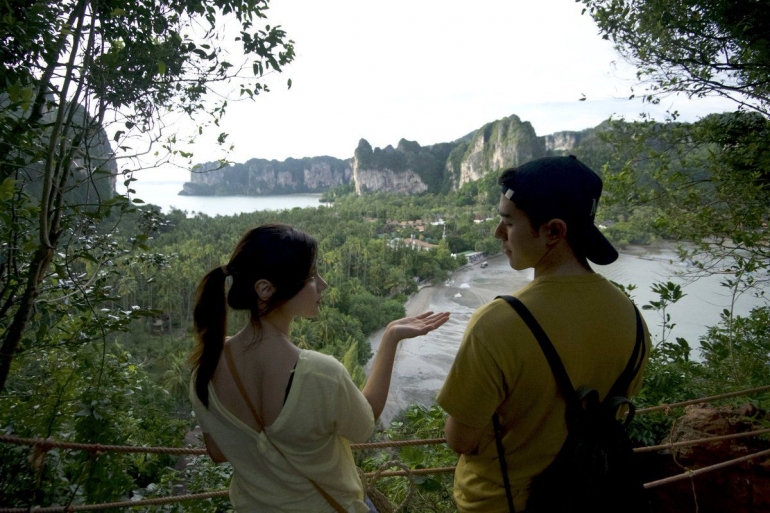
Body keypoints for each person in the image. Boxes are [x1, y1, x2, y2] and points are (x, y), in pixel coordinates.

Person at [437, 156, 651, 512]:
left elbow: (460, 439)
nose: (497, 233)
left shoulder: (498, 323)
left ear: (554, 231)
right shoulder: (631, 317)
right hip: (590, 497)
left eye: (508, 222)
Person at [189, 223, 449, 512]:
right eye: (311, 276)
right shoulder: (318, 373)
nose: (322, 284)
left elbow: (217, 451)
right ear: (265, 289)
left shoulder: (206, 368)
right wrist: (390, 339)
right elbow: (364, 425)